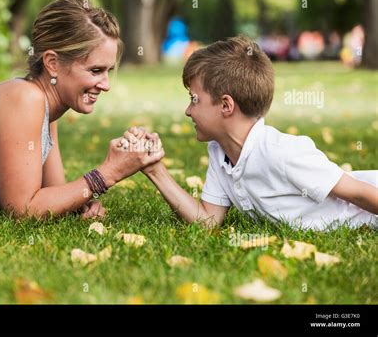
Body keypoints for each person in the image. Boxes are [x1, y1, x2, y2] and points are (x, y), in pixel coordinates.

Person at [0, 0, 163, 219]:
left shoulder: (46, 109)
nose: (105, 85)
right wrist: (109, 173)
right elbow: (23, 209)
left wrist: (78, 203)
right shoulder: (25, 99)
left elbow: (51, 192)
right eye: (95, 70)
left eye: (108, 71)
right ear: (52, 62)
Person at [123, 36, 377, 231]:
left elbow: (359, 193)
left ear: (226, 105)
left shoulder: (282, 152)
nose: (188, 111)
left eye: (194, 99)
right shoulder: (220, 152)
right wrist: (155, 169)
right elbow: (207, 222)